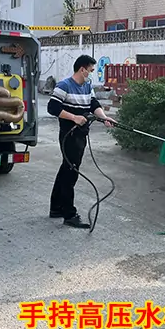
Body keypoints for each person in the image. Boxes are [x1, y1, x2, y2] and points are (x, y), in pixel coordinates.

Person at [46, 54, 115, 228]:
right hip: (68, 135)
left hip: (81, 135)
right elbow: (52, 108)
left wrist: (105, 117)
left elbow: (93, 104)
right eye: (90, 70)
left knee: (65, 170)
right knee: (71, 172)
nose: (91, 73)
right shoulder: (64, 86)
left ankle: (55, 208)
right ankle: (69, 214)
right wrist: (74, 117)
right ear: (82, 69)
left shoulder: (87, 86)